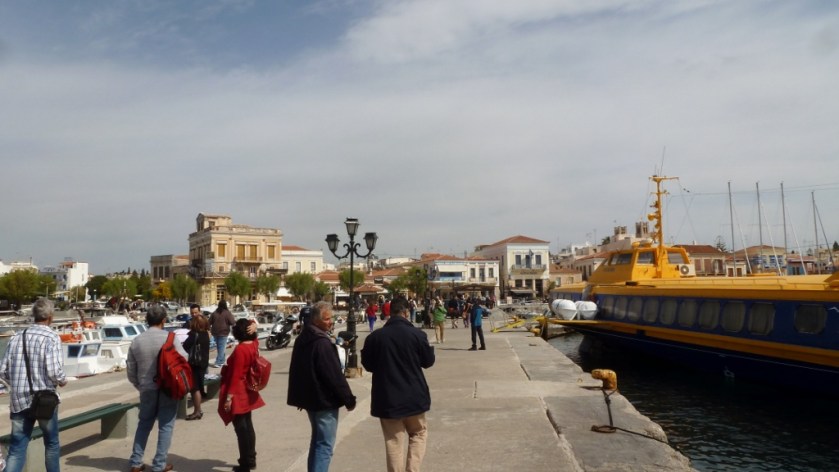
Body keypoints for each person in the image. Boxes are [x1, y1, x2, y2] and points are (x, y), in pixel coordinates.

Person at [361, 297, 435, 472]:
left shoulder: (375, 337)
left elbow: (368, 365)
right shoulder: (417, 335)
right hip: (414, 395)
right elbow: (428, 361)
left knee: (393, 441)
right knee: (418, 433)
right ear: (406, 312)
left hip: (387, 397)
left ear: (388, 312)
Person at [287, 301, 357, 472]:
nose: (330, 322)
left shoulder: (304, 337)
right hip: (323, 400)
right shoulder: (321, 342)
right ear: (316, 320)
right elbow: (333, 375)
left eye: (331, 318)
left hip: (311, 399)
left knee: (317, 441)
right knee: (324, 445)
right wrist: (348, 399)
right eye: (327, 319)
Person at [0, 298, 67, 472]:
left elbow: (3, 370)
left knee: (17, 447)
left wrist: (16, 382)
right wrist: (62, 380)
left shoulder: (16, 337)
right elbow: (54, 371)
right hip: (44, 400)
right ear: (50, 317)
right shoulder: (51, 337)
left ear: (33, 315)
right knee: (51, 444)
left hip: (18, 401)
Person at [126, 305, 189, 472]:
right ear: (164, 320)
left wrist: (139, 385)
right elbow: (184, 358)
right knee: (166, 425)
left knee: (144, 424)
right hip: (168, 387)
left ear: (147, 320)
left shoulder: (137, 340)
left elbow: (131, 369)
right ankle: (159, 464)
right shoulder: (170, 337)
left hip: (146, 387)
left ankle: (136, 462)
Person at [219, 319, 266, 472]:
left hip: (238, 391)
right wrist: (255, 327)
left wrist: (228, 398)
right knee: (248, 426)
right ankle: (250, 459)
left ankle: (245, 463)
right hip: (248, 390)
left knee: (241, 430)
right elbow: (254, 336)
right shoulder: (253, 345)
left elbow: (236, 376)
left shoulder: (240, 350)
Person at [182, 304, 210, 420]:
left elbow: (185, 346)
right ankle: (198, 410)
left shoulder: (194, 335)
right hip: (203, 363)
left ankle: (197, 411)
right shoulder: (206, 334)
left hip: (195, 364)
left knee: (195, 388)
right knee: (198, 386)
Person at [210, 300, 236, 367]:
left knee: (220, 347)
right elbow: (232, 322)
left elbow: (209, 322)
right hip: (223, 332)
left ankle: (222, 361)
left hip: (215, 332)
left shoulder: (214, 313)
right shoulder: (227, 313)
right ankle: (218, 362)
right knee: (221, 348)